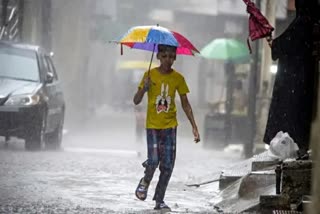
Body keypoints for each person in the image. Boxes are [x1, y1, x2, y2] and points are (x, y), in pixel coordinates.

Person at [133, 44, 200, 211]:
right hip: (153, 126)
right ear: (158, 57)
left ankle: (159, 199)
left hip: (170, 127)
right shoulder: (149, 75)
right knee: (154, 160)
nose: (168, 60)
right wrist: (144, 88)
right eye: (164, 56)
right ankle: (146, 180)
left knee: (168, 165)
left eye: (171, 56)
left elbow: (185, 104)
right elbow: (136, 100)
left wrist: (194, 126)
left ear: (175, 58)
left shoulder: (178, 78)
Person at [263, 0, 319, 156]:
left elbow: (282, 46)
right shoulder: (311, 23)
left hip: (294, 83)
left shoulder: (302, 23)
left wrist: (270, 40)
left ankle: (297, 146)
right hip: (304, 81)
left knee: (291, 118)